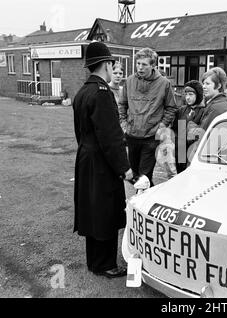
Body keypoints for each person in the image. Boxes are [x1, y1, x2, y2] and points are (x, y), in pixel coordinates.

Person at [72, 41, 133, 278]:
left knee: (92, 210)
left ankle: (94, 262)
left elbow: (80, 132)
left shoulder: (82, 92)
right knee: (106, 211)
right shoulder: (103, 93)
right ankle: (107, 264)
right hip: (102, 162)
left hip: (86, 158)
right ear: (106, 64)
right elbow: (111, 137)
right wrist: (124, 168)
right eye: (112, 64)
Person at [119, 48, 178, 186]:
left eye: (144, 64)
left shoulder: (164, 83)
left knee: (144, 176)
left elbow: (171, 107)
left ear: (153, 66)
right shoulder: (129, 81)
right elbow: (122, 104)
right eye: (138, 63)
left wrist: (161, 126)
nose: (140, 67)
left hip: (151, 137)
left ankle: (143, 201)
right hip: (132, 135)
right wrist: (123, 123)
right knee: (134, 176)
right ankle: (144, 200)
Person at [172, 80, 205, 173]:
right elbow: (175, 128)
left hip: (193, 151)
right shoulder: (182, 110)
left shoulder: (203, 111)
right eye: (186, 95)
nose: (187, 98)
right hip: (181, 151)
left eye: (191, 94)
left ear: (198, 95)